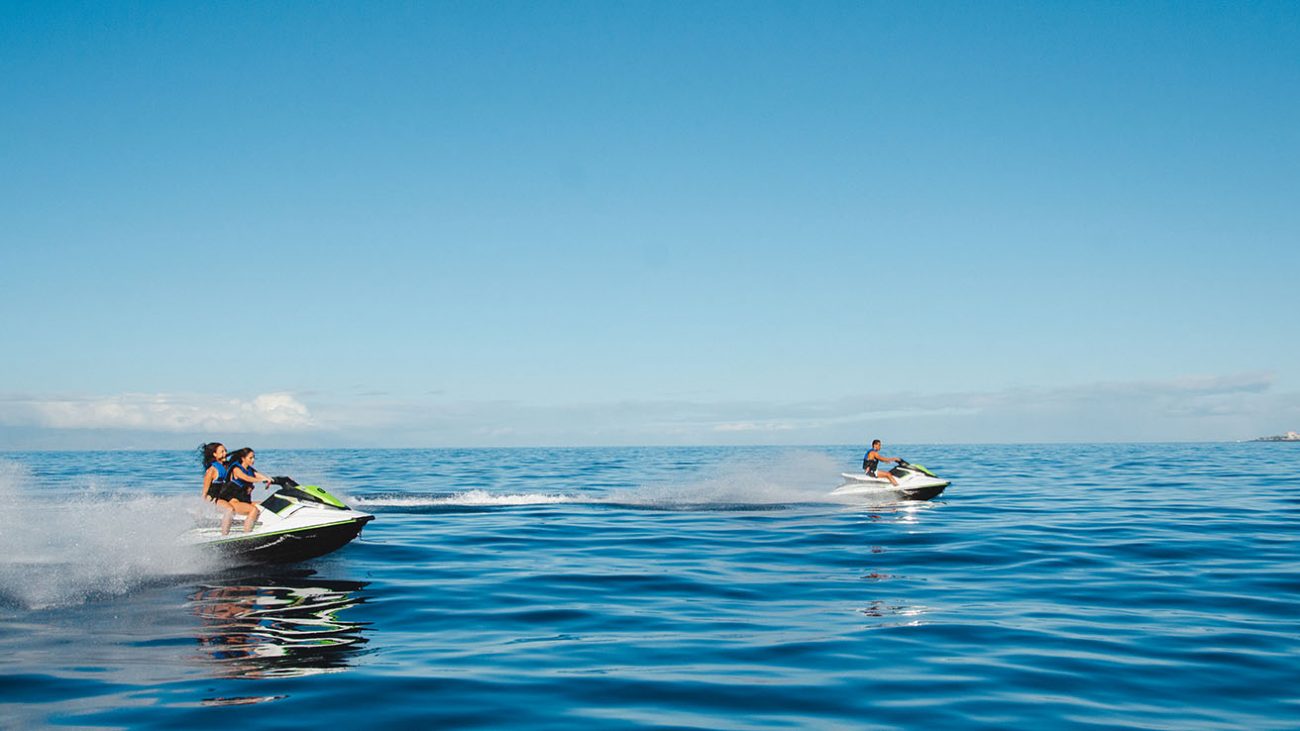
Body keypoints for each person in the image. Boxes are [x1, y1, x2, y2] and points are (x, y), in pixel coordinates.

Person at [221, 447, 271, 535]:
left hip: (245, 501)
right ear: (243, 458)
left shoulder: (250, 470)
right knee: (253, 510)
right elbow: (246, 478)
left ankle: (267, 525)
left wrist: (270, 480)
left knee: (266, 504)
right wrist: (261, 480)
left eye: (254, 457)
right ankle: (247, 534)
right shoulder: (236, 469)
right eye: (250, 458)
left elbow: (261, 476)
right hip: (234, 502)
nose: (253, 460)